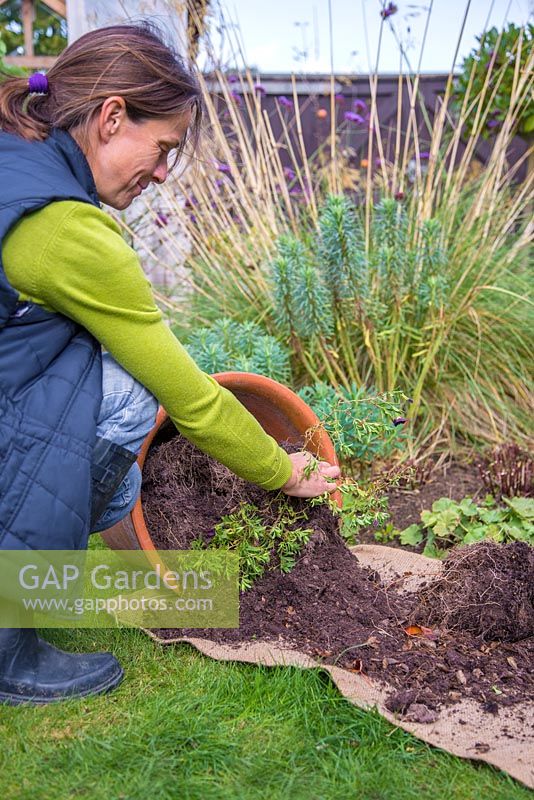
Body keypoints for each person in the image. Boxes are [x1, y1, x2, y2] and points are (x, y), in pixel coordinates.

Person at [0, 22, 341, 705]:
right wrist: (282, 469)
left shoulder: (17, 158)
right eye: (162, 150)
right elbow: (187, 396)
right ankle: (10, 636)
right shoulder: (67, 230)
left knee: (108, 444)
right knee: (128, 396)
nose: (161, 173)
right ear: (111, 117)